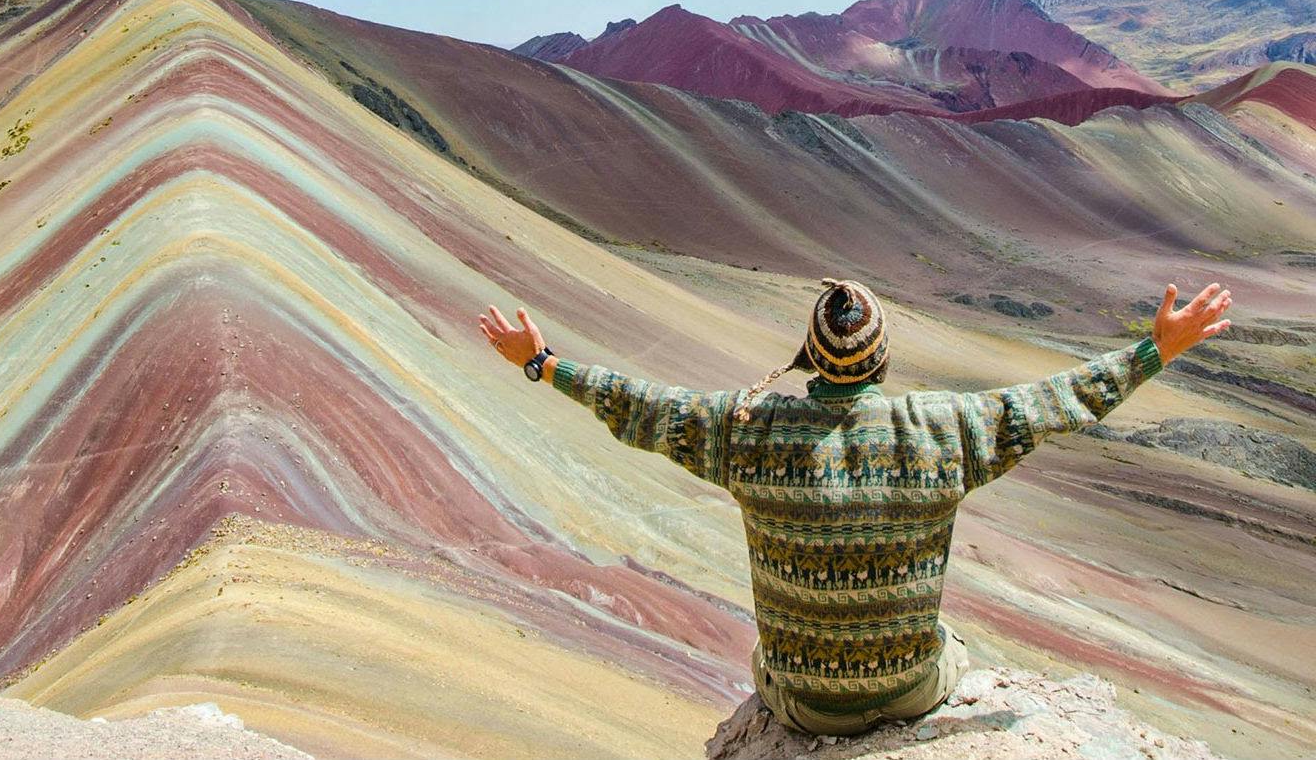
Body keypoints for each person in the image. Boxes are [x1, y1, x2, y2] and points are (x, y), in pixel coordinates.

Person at [478, 277, 1232, 737]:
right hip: (912, 694)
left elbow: (642, 404)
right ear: (882, 360)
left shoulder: (749, 434)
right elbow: (1053, 403)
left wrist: (542, 364)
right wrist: (1154, 350)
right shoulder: (942, 432)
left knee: (764, 658)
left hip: (800, 703)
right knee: (949, 640)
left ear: (808, 356)